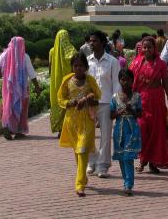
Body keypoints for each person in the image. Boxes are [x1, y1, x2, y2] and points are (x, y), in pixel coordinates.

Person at [58, 53, 101, 197]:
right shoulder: (67, 80)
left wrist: (88, 98)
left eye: (81, 66)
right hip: (72, 121)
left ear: (86, 67)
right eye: (75, 65)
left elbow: (98, 95)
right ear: (72, 67)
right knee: (78, 151)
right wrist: (68, 103)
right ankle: (83, 176)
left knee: (82, 150)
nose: (78, 68)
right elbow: (61, 98)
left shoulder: (90, 80)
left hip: (87, 120)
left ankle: (79, 184)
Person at [130, 36, 168, 173]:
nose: (147, 49)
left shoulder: (161, 64)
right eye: (145, 47)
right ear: (141, 48)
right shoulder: (136, 63)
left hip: (156, 102)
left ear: (155, 48)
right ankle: (143, 159)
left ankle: (153, 163)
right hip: (141, 102)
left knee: (156, 133)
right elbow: (130, 83)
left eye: (150, 47)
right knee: (142, 131)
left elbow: (166, 85)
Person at [87, 30, 122, 178]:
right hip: (89, 103)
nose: (91, 43)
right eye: (90, 41)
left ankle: (103, 165)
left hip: (106, 103)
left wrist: (117, 104)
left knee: (106, 135)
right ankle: (91, 161)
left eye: (94, 41)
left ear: (102, 43)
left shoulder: (112, 61)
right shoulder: (87, 61)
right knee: (88, 134)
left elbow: (116, 84)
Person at [0, 36, 40, 140]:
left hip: (8, 87)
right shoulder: (25, 56)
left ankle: (7, 127)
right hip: (22, 88)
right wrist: (37, 87)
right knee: (22, 109)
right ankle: (18, 130)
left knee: (8, 107)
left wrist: (3, 74)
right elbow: (31, 73)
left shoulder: (4, 54)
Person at [110, 68, 142, 196]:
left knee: (128, 157)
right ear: (119, 81)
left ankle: (128, 184)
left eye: (128, 80)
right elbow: (111, 115)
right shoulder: (115, 97)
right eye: (123, 80)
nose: (125, 83)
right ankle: (125, 181)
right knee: (122, 158)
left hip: (132, 130)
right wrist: (119, 112)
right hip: (119, 131)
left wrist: (132, 111)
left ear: (132, 81)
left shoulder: (136, 96)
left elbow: (140, 113)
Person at [49, 30, 77, 136]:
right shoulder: (72, 51)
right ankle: (68, 129)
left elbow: (50, 67)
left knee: (58, 102)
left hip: (56, 82)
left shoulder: (52, 51)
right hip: (69, 82)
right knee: (69, 103)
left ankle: (60, 128)